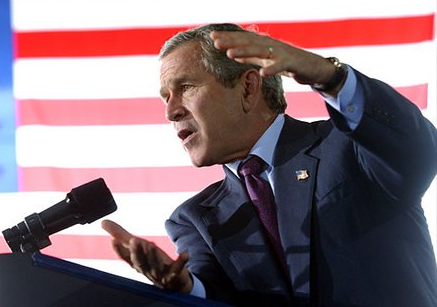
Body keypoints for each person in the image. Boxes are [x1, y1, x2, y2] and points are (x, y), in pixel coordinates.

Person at [102, 23, 437, 306]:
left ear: (248, 87)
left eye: (185, 87)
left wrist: (328, 74)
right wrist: (184, 290)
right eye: (166, 97)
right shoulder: (194, 219)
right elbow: (214, 293)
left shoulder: (348, 146)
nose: (170, 112)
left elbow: (418, 151)